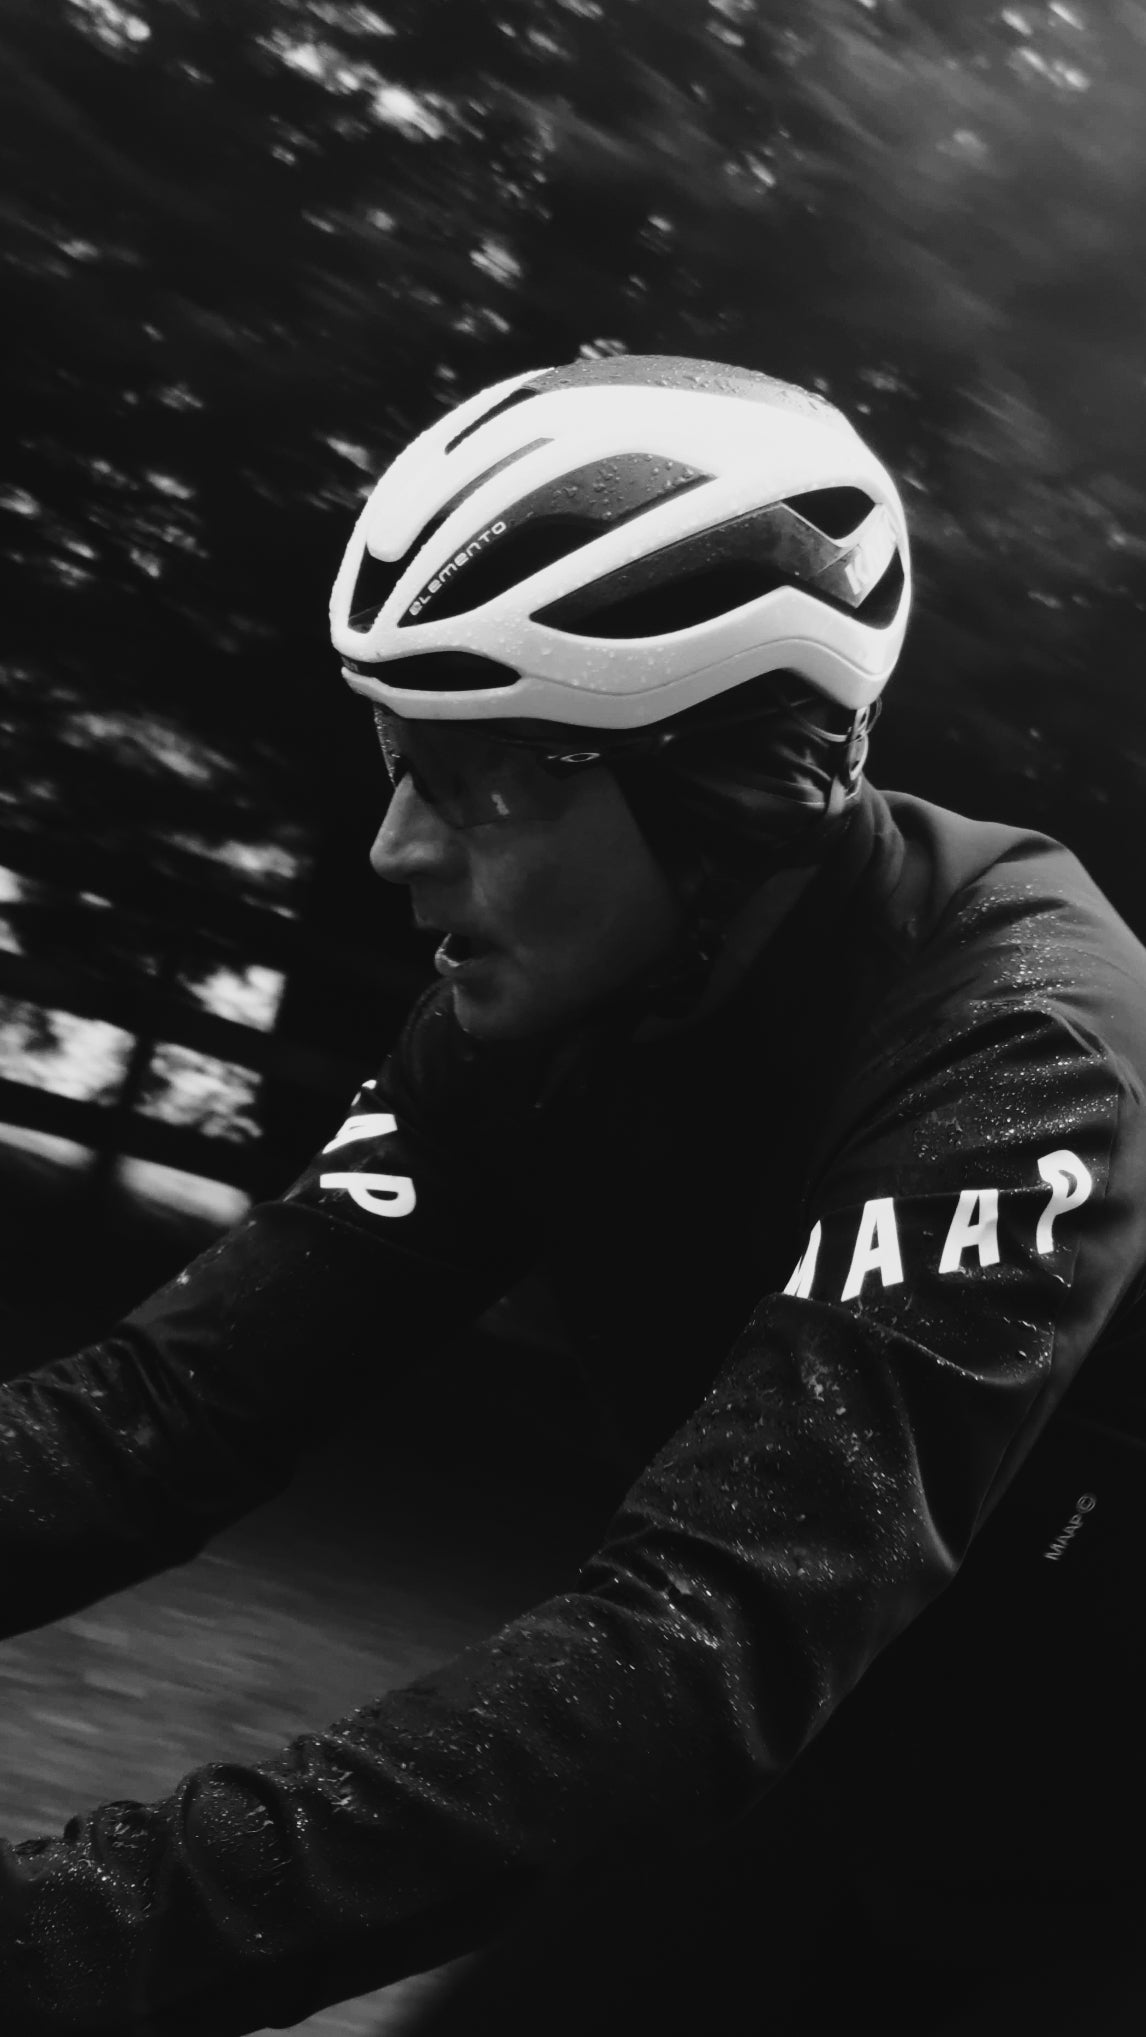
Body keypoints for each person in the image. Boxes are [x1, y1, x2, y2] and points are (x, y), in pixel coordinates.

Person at [0, 354, 1143, 2037]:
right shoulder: (541, 1012)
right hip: (825, 1779)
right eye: (400, 755)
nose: (397, 845)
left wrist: (56, 1941)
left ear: (722, 783)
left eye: (482, 779)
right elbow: (162, 1413)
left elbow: (698, 1643)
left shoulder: (1020, 1049)